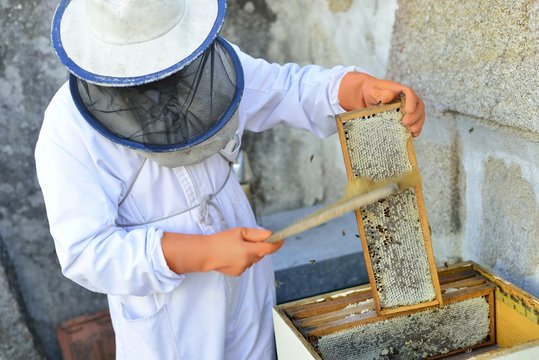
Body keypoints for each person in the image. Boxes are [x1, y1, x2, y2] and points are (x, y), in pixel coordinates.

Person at [35, 0, 425, 359]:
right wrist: (202, 253)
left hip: (246, 284)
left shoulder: (205, 66)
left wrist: (357, 88)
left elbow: (284, 88)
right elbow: (86, 252)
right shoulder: (67, 130)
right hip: (172, 318)